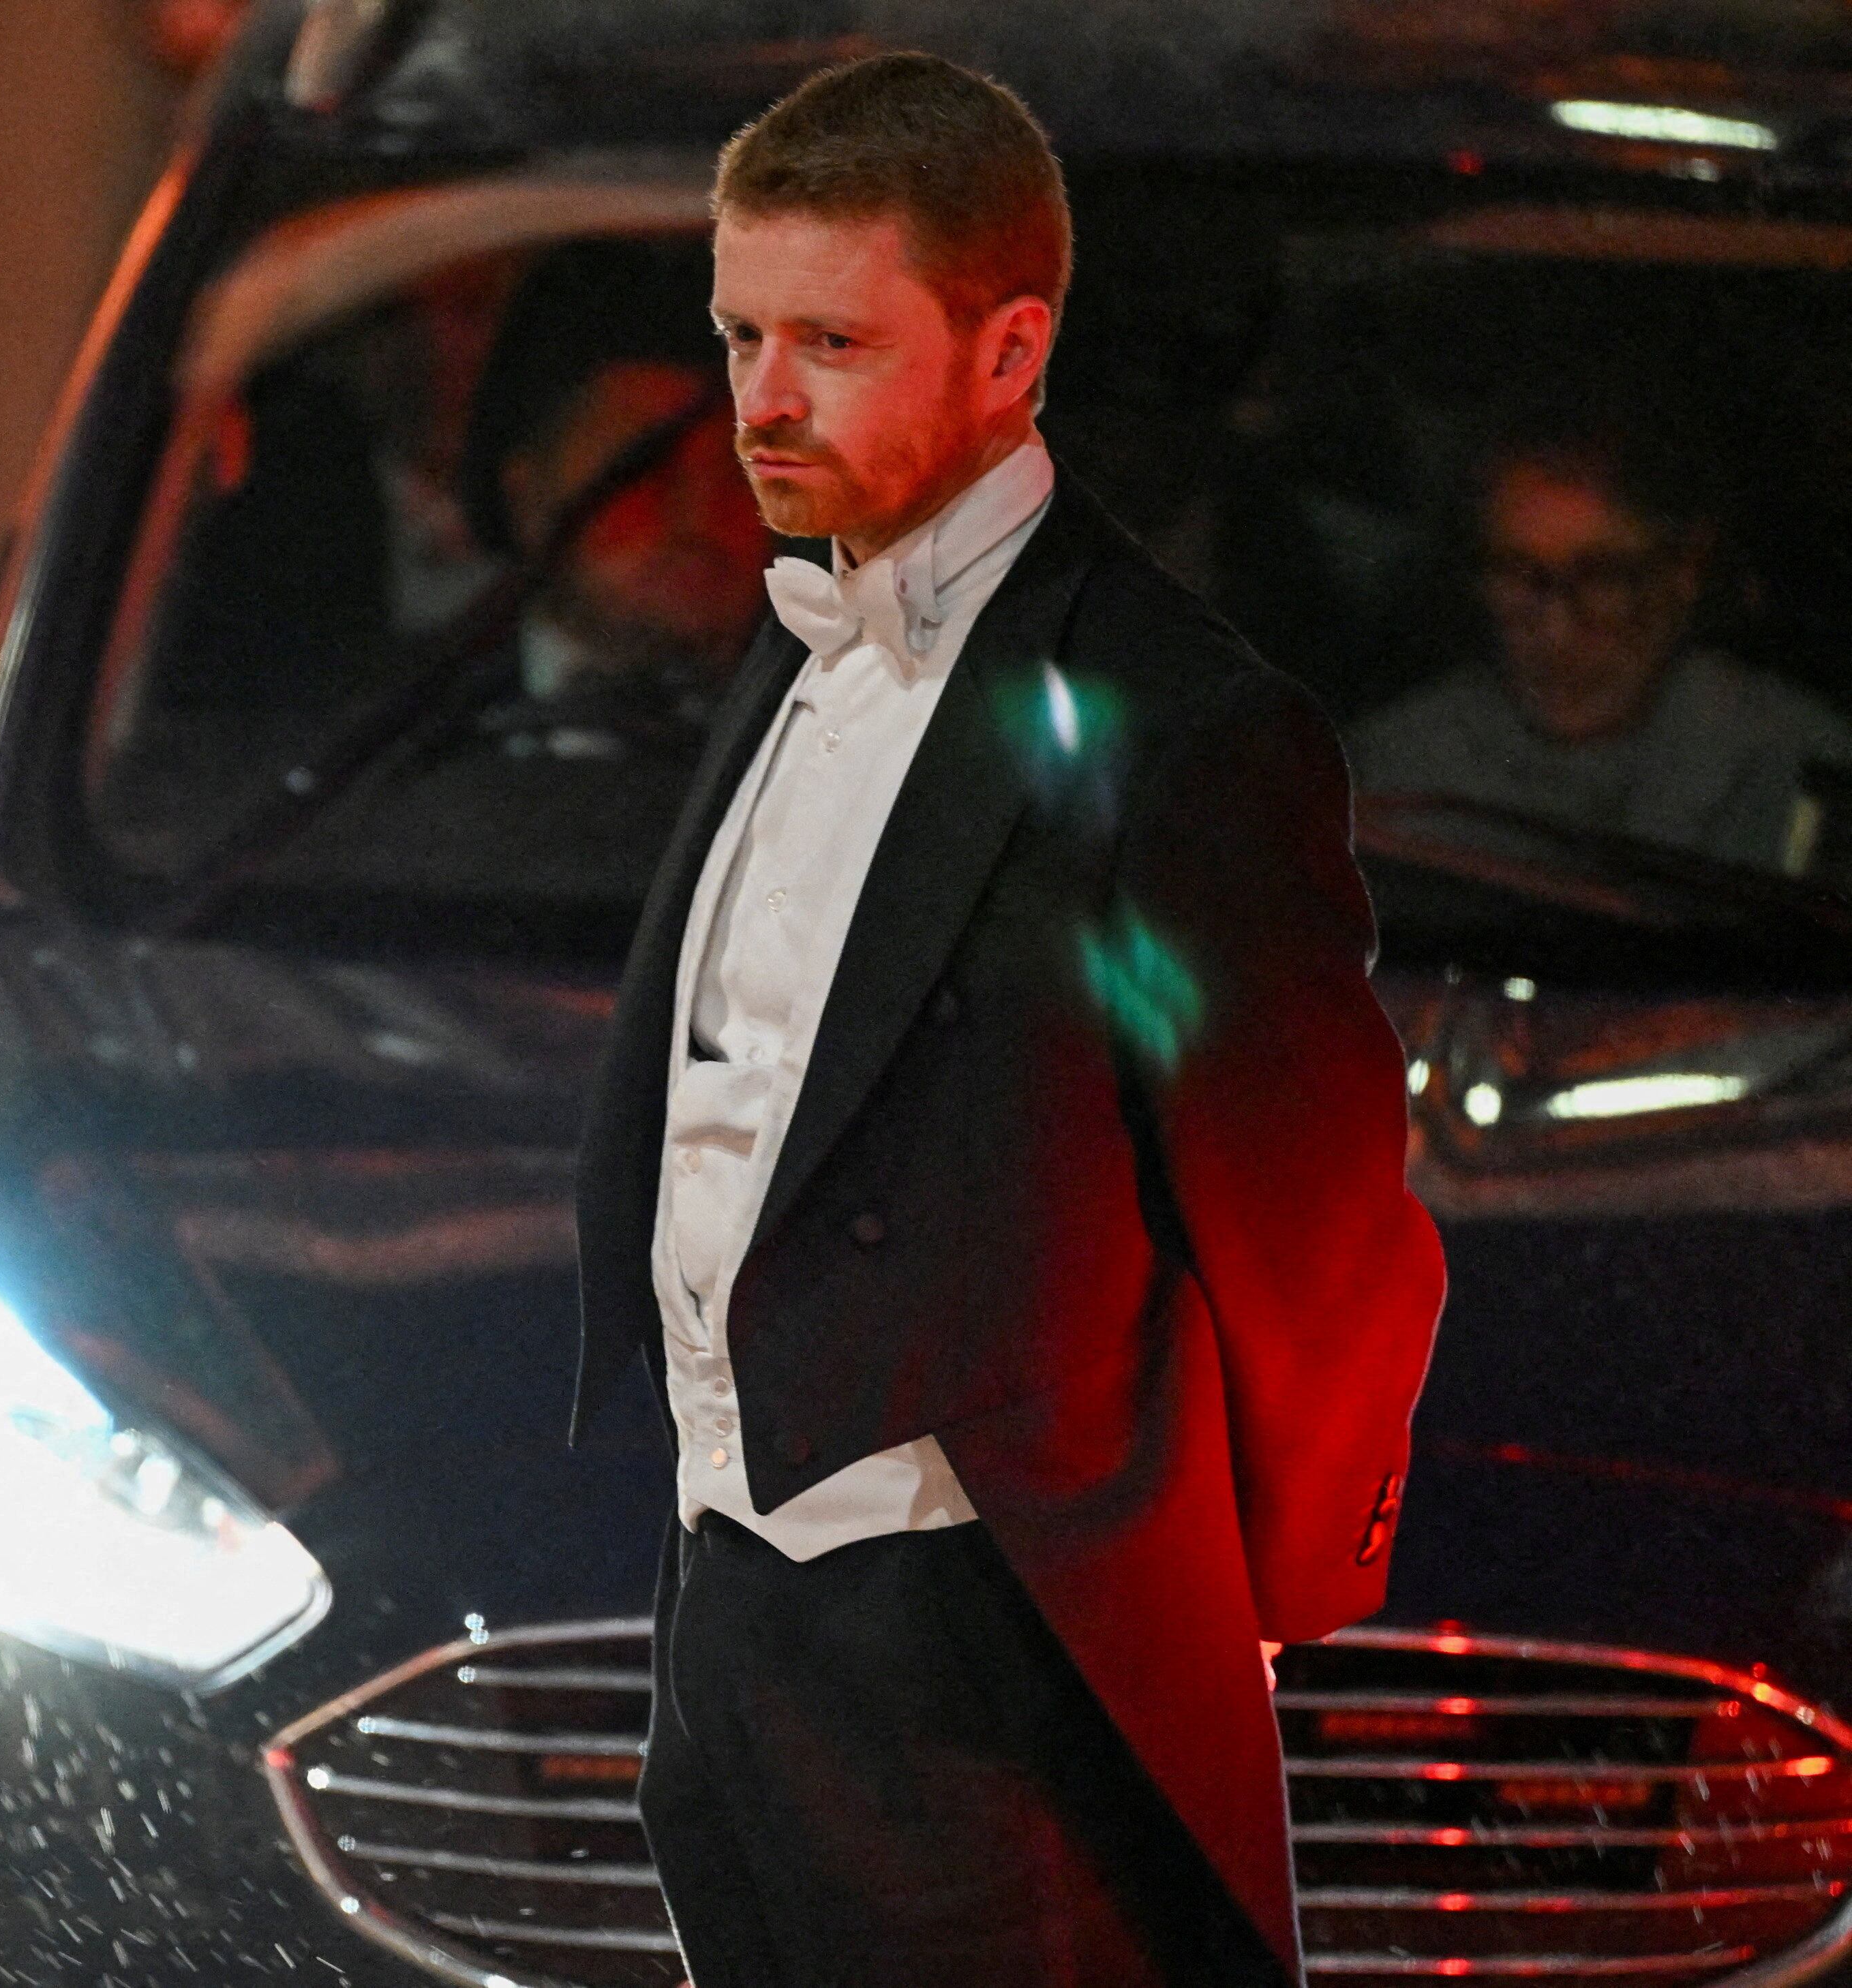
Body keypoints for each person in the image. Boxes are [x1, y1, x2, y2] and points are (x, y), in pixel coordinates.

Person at [569, 53, 1446, 1987]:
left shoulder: (1170, 720)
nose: (759, 400)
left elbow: (1308, 1218)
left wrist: (1265, 1584)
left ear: (1005, 347)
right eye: (735, 334)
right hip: (729, 1592)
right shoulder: (792, 635)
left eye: (827, 339)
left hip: (982, 1640)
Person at [1348, 414, 1852, 872]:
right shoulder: (1389, 772)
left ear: (1686, 568)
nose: (1556, 629)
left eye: (1604, 579)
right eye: (1519, 575)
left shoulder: (1800, 777)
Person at [457, 238, 770, 761]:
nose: (699, 515)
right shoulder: (380, 752)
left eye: (741, 471)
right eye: (642, 465)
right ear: (527, 494)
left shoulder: (849, 753)